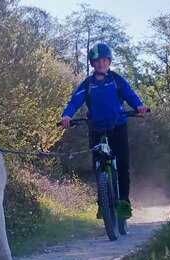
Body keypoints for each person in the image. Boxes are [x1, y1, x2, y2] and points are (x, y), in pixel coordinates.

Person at [61, 43, 147, 219]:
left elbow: (130, 94)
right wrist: (66, 116)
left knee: (122, 165)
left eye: (104, 60)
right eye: (97, 61)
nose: (101, 63)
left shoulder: (116, 80)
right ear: (92, 63)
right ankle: (103, 204)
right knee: (98, 165)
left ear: (109, 61)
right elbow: (74, 101)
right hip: (97, 129)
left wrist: (138, 106)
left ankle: (124, 202)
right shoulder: (87, 84)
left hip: (118, 126)